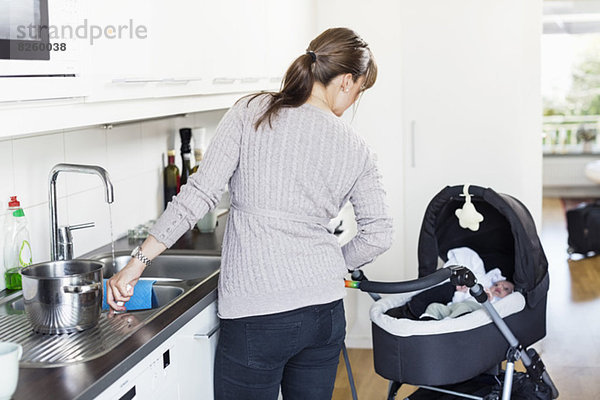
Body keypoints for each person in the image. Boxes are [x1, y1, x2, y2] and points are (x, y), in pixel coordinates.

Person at [106, 27, 393, 400]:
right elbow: (380, 234)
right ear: (345, 80)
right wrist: (331, 266)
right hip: (323, 314)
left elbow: (199, 195)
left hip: (257, 316)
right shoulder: (357, 147)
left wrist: (137, 262)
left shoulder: (254, 111)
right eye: (359, 91)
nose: (354, 100)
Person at [419, 279, 514, 320]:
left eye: (505, 289)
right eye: (496, 285)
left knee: (463, 307)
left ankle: (448, 322)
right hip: (454, 307)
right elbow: (458, 301)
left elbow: (493, 312)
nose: (499, 287)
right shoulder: (482, 291)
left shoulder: (498, 303)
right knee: (434, 306)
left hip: (470, 310)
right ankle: (427, 321)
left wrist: (488, 300)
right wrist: (460, 292)